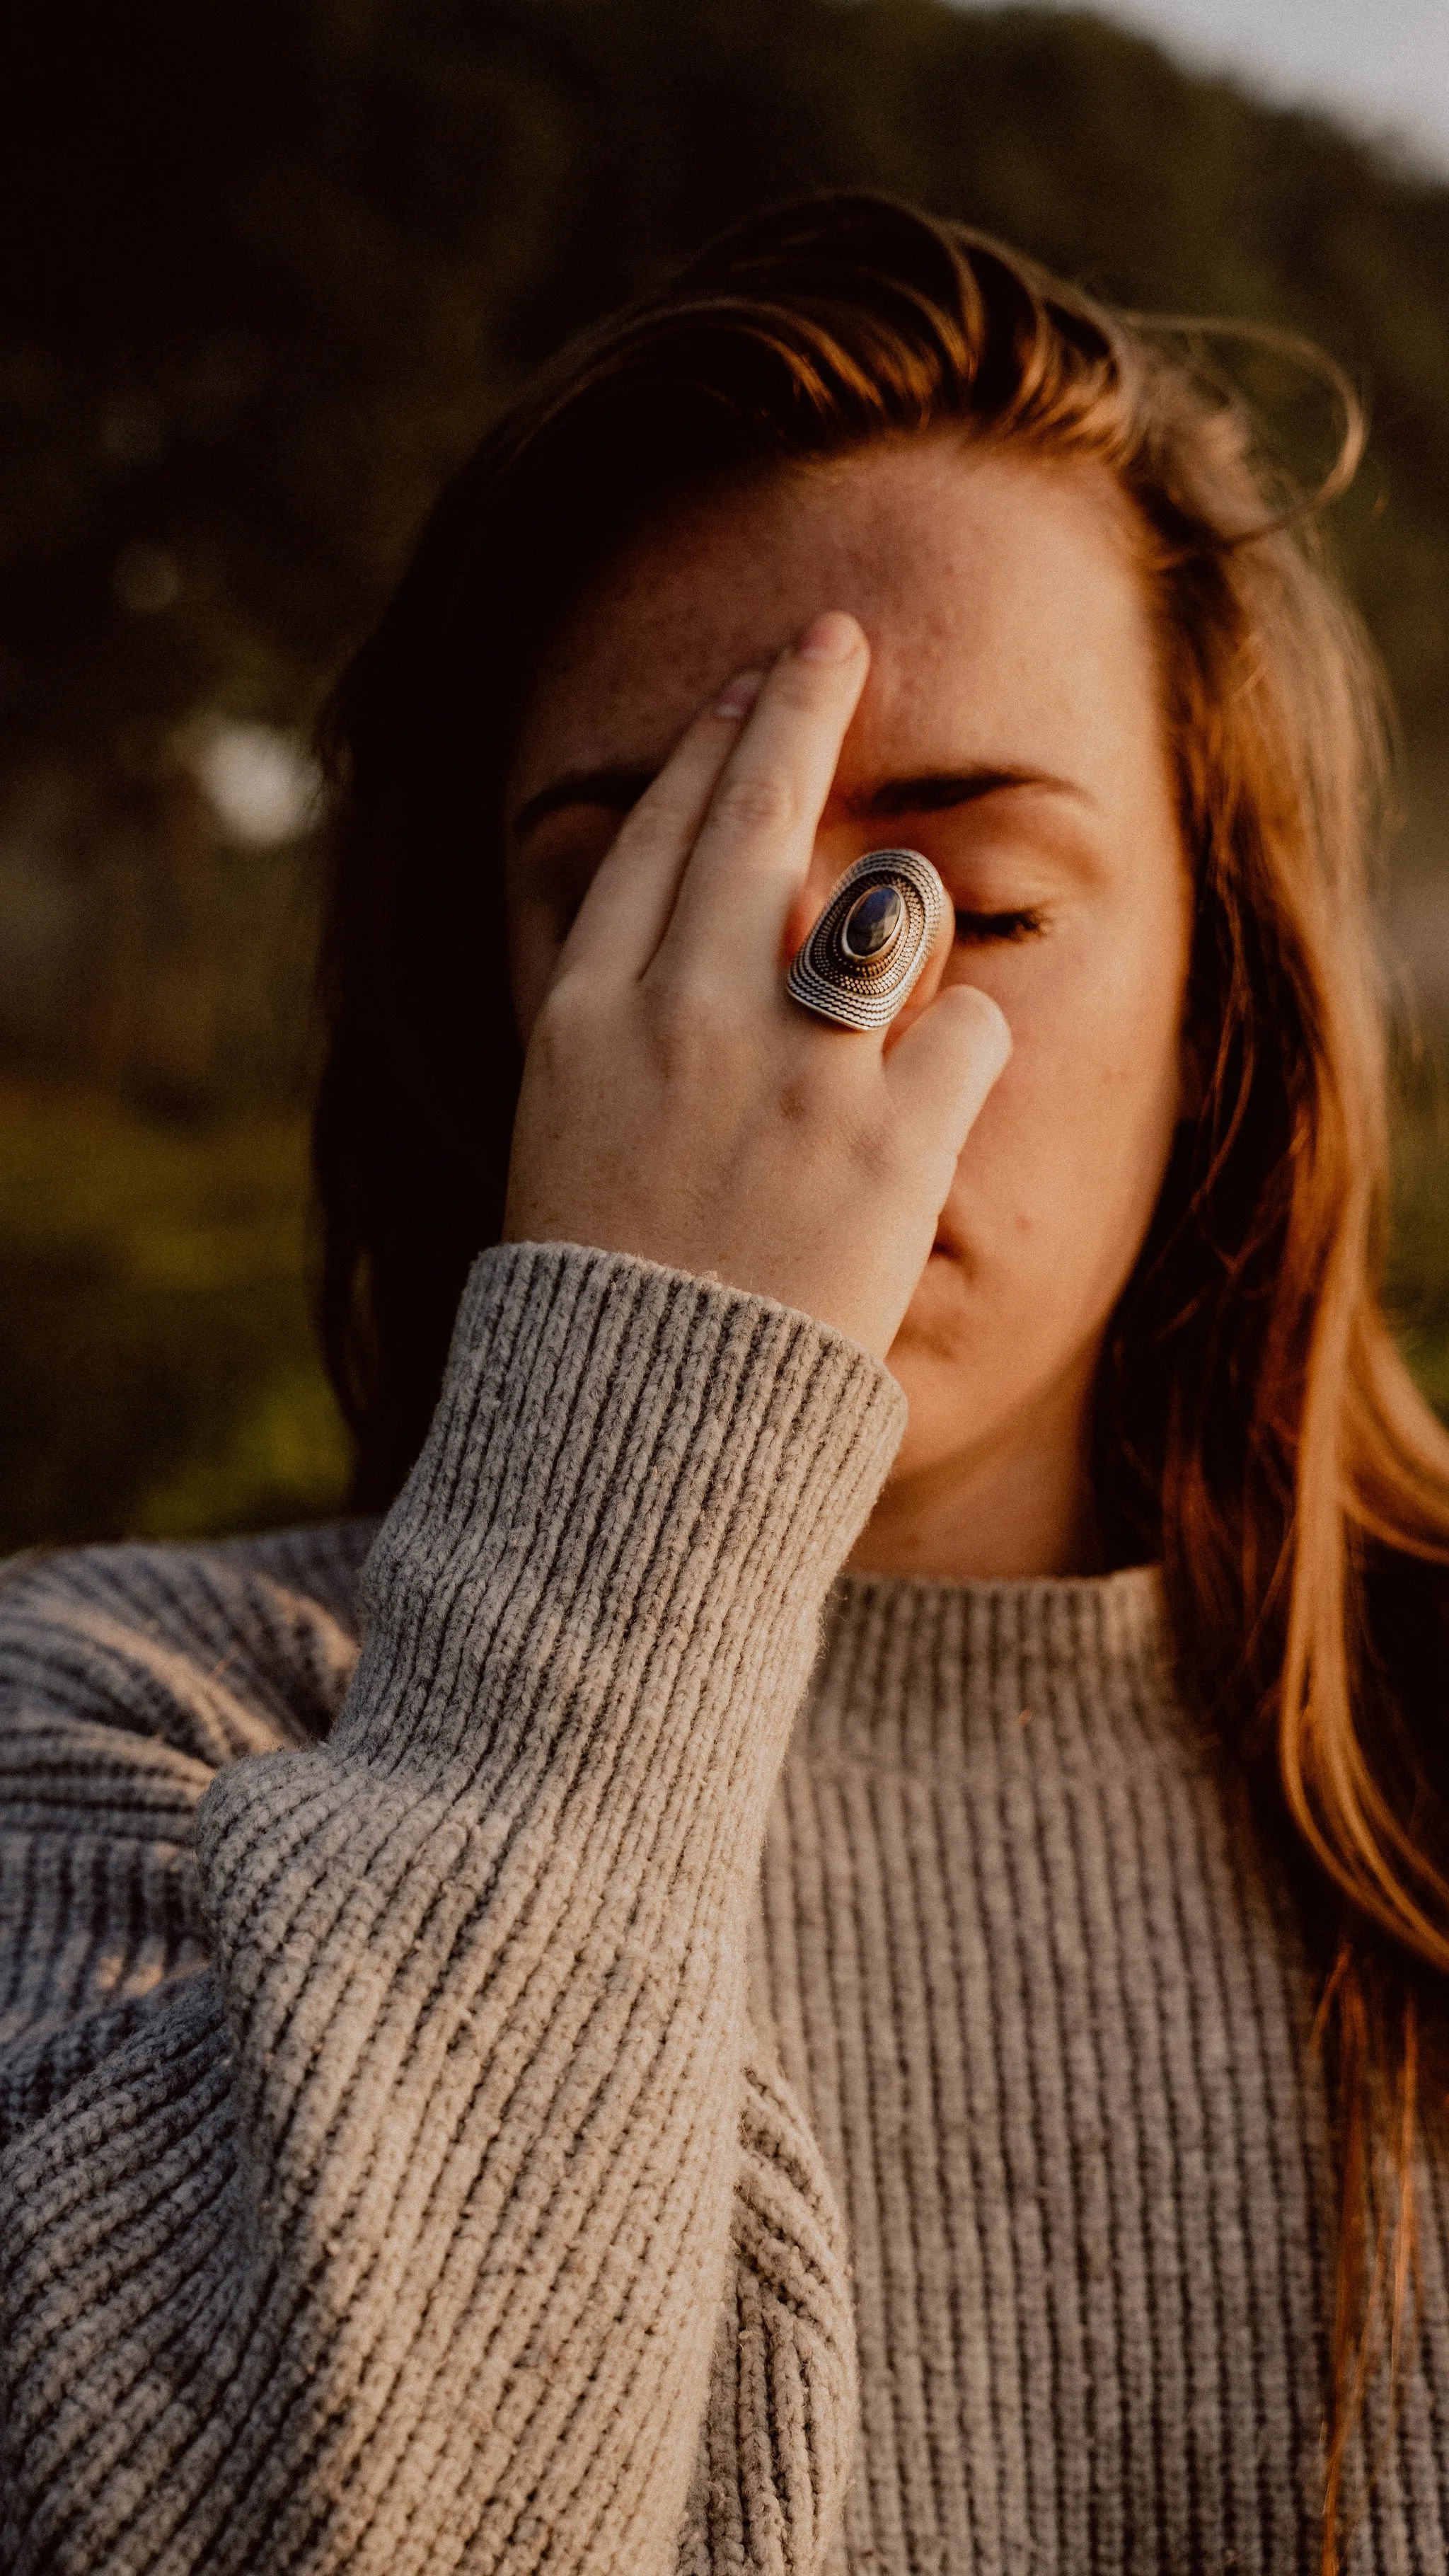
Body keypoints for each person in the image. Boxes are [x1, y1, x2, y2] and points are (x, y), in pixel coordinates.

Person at [3, 189, 1448, 2576]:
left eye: (966, 903)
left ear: (1224, 999)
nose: (809, 1028)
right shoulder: (125, 1727)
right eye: (638, 896)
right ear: (497, 1014)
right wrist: (647, 1442)